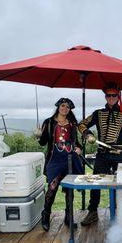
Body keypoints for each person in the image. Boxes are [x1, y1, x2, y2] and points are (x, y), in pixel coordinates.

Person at [78, 82, 122, 226]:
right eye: (108, 95)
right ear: (105, 96)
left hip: (120, 156)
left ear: (118, 96)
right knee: (95, 183)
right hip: (102, 154)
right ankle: (92, 212)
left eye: (114, 95)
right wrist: (88, 133)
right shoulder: (98, 113)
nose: (111, 98)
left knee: (121, 186)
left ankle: (121, 213)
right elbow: (81, 124)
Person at [36, 98, 83, 231]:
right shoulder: (49, 122)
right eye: (63, 106)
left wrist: (79, 148)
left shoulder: (73, 123)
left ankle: (68, 218)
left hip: (70, 159)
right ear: (58, 107)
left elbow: (76, 142)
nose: (65, 109)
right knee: (52, 187)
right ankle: (46, 215)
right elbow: (43, 143)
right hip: (55, 159)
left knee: (69, 189)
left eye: (68, 107)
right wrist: (39, 135)